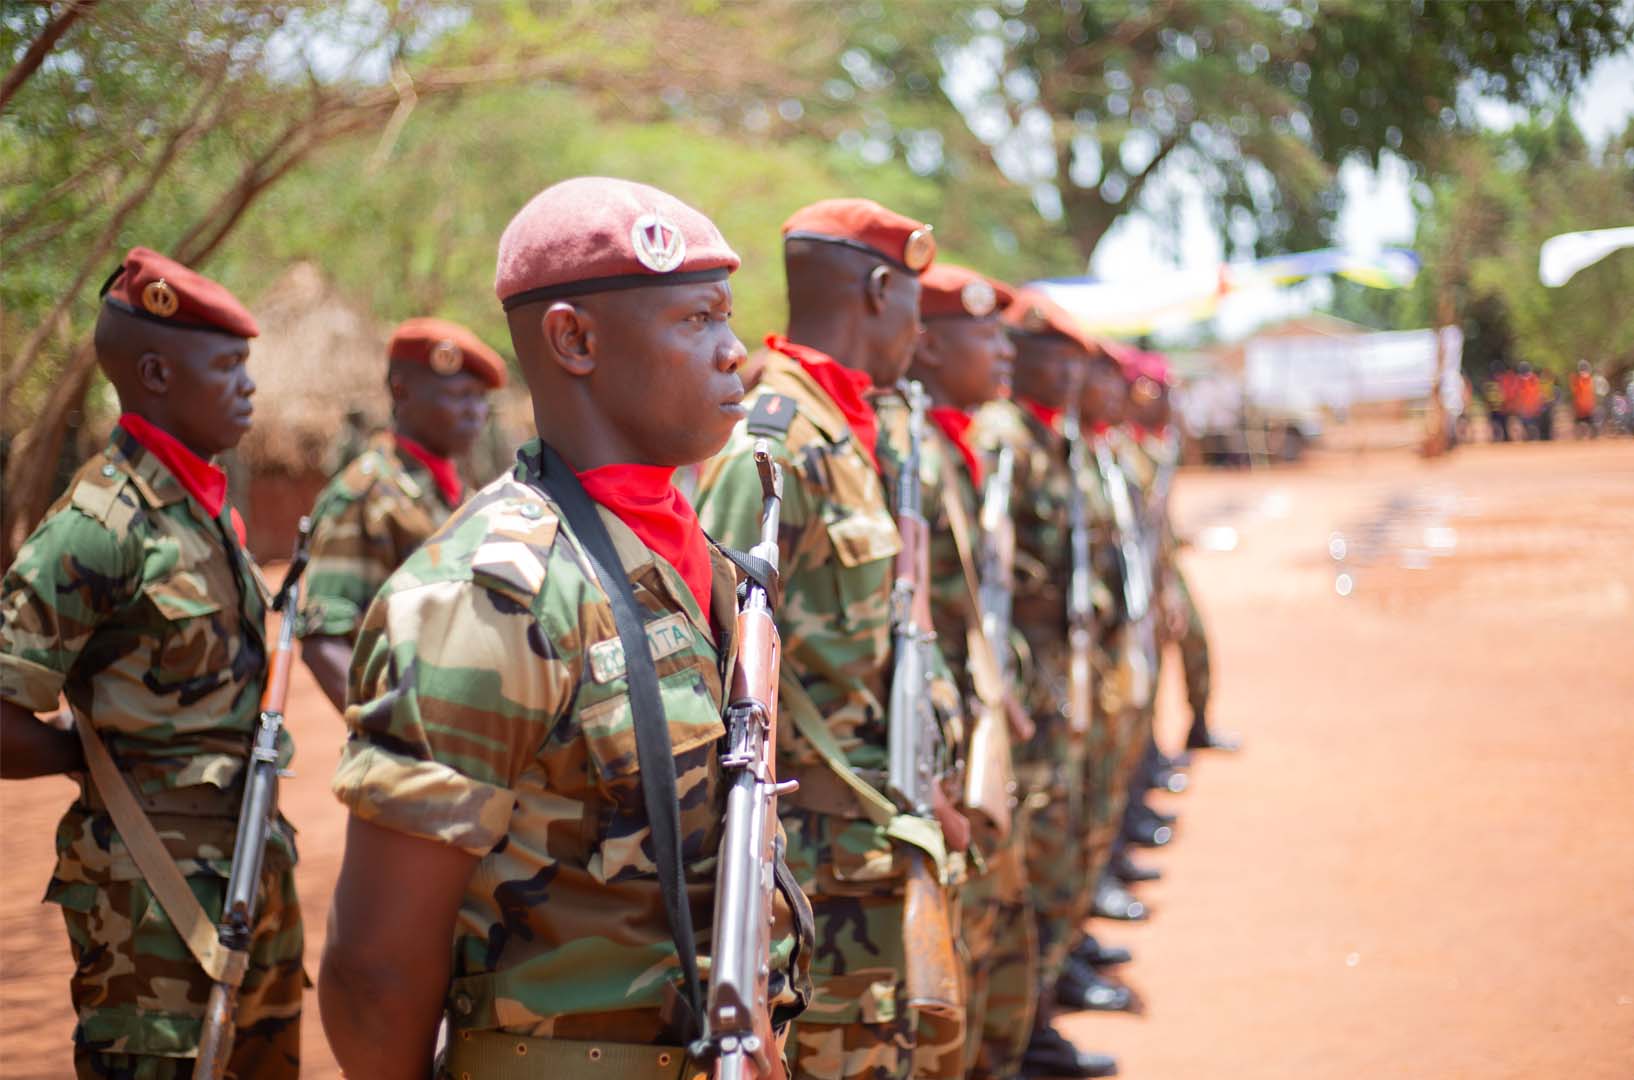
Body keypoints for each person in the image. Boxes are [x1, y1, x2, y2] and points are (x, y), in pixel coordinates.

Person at [317, 177, 812, 1078]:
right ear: (574, 340)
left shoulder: (684, 552)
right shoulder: (488, 598)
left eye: (726, 319)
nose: (733, 352)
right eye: (698, 320)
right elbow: (375, 972)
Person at [0, 248, 303, 1077]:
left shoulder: (201, 515)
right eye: (229, 366)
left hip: (253, 863)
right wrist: (95, 758)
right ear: (157, 376)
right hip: (148, 904)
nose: (248, 387)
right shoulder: (100, 524)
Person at [692, 198, 968, 1080]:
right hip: (814, 864)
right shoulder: (772, 443)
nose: (919, 337)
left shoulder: (848, 432)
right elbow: (721, 657)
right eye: (915, 310)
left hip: (874, 844)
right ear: (880, 289)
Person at [970, 290, 1119, 1079]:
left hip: (1050, 666)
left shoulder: (1043, 436)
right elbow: (992, 572)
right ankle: (1024, 1033)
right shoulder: (1005, 438)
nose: (1070, 371)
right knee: (1027, 855)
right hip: (1018, 678)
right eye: (1056, 356)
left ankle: (1043, 1005)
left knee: (1053, 841)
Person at [901, 263, 1041, 1079]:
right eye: (983, 335)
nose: (1003, 352)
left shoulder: (954, 446)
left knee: (993, 929)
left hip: (969, 721)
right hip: (931, 755)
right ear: (926, 345)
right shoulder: (914, 451)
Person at [296, 316, 508, 713]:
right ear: (401, 391)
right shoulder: (366, 495)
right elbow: (325, 644)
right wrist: (395, 741)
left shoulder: (465, 496)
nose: (475, 412)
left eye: (480, 398)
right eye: (460, 395)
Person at [1571, 361, 1599, 437]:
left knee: (1593, 427)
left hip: (1589, 408)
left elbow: (1593, 394)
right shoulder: (1577, 381)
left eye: (1585, 370)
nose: (1584, 373)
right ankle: (1580, 435)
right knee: (1578, 426)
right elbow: (1575, 391)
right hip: (1580, 408)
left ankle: (1592, 440)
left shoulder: (1591, 380)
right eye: (1582, 370)